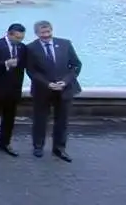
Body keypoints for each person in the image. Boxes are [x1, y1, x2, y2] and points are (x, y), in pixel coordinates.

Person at [26, 20, 82, 162]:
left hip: (64, 89)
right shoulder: (31, 48)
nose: (45, 35)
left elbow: (76, 65)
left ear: (52, 30)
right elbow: (31, 71)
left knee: (62, 121)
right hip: (42, 90)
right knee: (40, 120)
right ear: (36, 33)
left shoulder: (65, 44)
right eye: (42, 33)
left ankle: (59, 148)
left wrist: (65, 81)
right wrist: (47, 84)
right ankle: (38, 146)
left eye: (48, 32)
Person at [0, 23, 27, 157]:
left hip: (14, 88)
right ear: (9, 34)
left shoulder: (22, 47)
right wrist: (5, 64)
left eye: (22, 38)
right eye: (18, 38)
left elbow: (23, 67)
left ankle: (5, 143)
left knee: (9, 118)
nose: (19, 41)